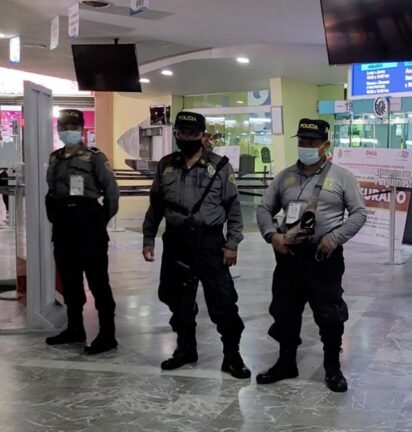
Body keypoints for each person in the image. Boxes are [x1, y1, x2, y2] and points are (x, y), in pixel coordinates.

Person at [256, 118, 366, 393]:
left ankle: (332, 368)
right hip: (289, 256)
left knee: (330, 315)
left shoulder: (341, 176)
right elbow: (263, 209)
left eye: (312, 142)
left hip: (323, 256)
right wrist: (273, 236)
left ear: (325, 145)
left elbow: (359, 213)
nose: (305, 146)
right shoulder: (284, 176)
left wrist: (334, 238)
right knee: (284, 312)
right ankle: (285, 363)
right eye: (302, 141)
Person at [142, 111, 250, 379]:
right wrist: (148, 237)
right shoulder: (166, 164)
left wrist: (232, 243)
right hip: (176, 241)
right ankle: (185, 348)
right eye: (182, 133)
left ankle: (232, 355)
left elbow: (234, 209)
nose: (187, 138)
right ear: (176, 134)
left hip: (210, 242)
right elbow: (156, 205)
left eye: (193, 134)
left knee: (222, 299)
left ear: (203, 136)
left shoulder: (219, 166)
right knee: (175, 297)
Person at [44, 109, 120, 355]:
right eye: (64, 126)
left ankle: (108, 334)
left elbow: (111, 194)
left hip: (89, 223)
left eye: (74, 126)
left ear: (82, 129)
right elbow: (51, 191)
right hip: (64, 225)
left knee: (98, 281)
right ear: (58, 129)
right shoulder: (55, 158)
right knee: (69, 279)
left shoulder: (95, 157)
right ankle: (75, 328)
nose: (69, 130)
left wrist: (99, 222)